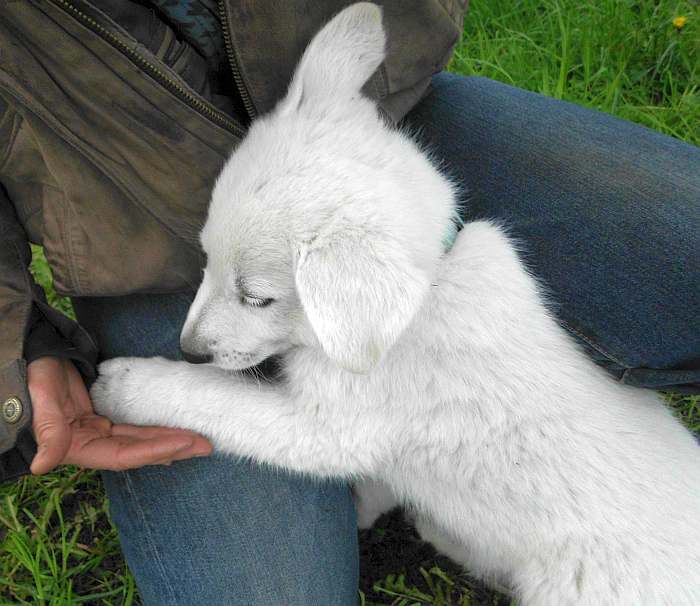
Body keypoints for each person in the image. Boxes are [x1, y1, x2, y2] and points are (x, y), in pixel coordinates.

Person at [0, 1, 697, 604]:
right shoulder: (474, 267)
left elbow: (331, 436)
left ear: (359, 288)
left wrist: (154, 388)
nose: (200, 336)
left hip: (622, 572)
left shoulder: (381, 309)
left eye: (254, 296)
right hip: (137, 224)